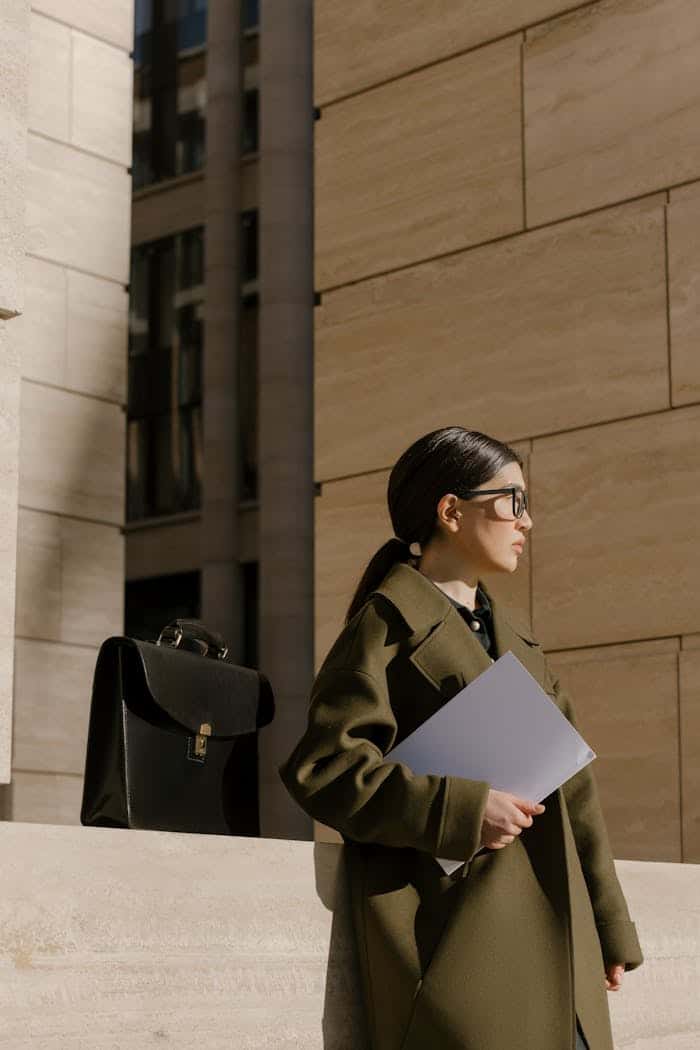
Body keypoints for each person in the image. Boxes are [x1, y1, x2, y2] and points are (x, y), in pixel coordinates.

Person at [278, 426, 643, 1050]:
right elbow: (326, 767)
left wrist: (610, 927)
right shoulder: (385, 625)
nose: (528, 522)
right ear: (451, 510)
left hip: (564, 942)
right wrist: (465, 808)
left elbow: (575, 794)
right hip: (459, 938)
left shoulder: (518, 638)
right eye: (514, 502)